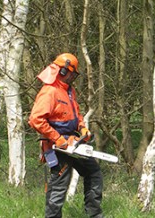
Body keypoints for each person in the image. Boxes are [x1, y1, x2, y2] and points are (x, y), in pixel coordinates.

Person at [28, 53, 104, 218]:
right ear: (63, 71)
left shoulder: (69, 91)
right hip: (56, 146)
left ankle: (94, 214)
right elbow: (35, 120)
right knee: (59, 185)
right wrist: (58, 139)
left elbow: (76, 113)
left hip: (73, 142)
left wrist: (83, 128)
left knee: (93, 172)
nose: (73, 77)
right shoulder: (50, 92)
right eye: (72, 73)